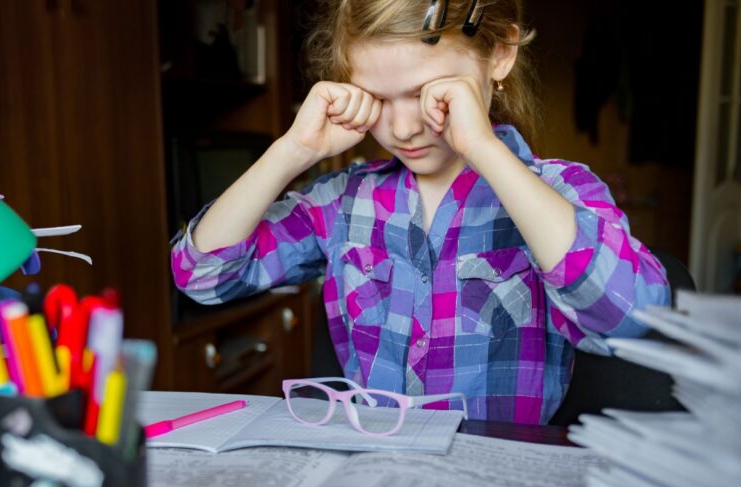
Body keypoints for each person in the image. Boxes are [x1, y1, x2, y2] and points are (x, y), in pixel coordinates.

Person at [169, 0, 670, 424]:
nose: (404, 128)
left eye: (426, 94)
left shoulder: (561, 192)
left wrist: (482, 147)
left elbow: (629, 317)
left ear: (499, 54)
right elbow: (203, 275)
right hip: (375, 477)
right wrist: (292, 150)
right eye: (377, 99)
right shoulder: (343, 202)